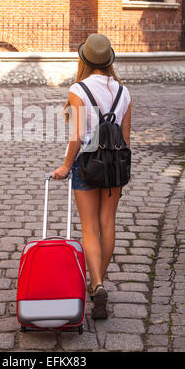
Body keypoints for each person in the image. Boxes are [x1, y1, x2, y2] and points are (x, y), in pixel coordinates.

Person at [52, 33, 132, 319]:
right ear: (109, 59)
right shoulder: (124, 91)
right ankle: (98, 281)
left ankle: (96, 282)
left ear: (84, 59)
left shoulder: (79, 90)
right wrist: (121, 168)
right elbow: (125, 138)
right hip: (115, 165)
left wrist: (65, 166)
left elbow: (77, 137)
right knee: (107, 223)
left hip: (87, 162)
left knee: (89, 228)